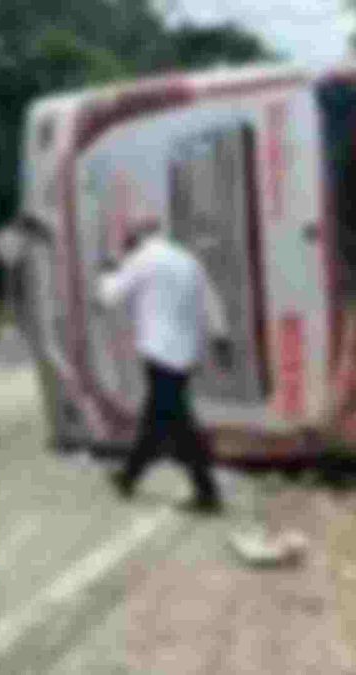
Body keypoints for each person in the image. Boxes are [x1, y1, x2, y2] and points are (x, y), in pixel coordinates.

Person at [98, 212, 232, 514]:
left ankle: (207, 493)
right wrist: (221, 338)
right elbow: (211, 300)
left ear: (135, 237)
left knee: (178, 423)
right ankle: (128, 477)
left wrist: (107, 271)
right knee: (157, 418)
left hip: (159, 353)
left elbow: (108, 296)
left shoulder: (142, 259)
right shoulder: (187, 259)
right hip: (185, 354)